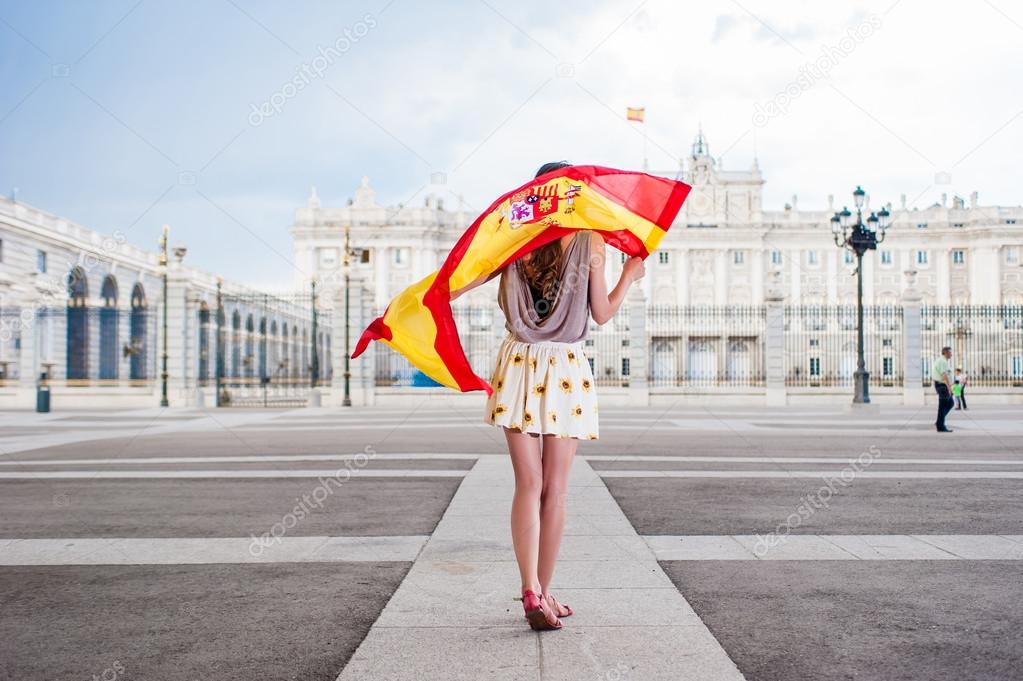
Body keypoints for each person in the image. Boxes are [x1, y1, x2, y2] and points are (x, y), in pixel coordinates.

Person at [453, 161, 646, 631]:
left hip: (517, 364)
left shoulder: (514, 238)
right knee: (555, 489)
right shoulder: (589, 239)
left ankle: (531, 590)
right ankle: (545, 590)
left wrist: (433, 293)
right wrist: (629, 277)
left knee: (527, 484)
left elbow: (465, 280)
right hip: (564, 367)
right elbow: (601, 314)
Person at [932, 346, 955, 432]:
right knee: (944, 406)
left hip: (941, 385)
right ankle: (940, 426)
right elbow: (944, 376)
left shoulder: (942, 360)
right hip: (942, 386)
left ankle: (939, 422)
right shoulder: (942, 361)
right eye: (950, 353)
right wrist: (950, 389)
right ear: (945, 353)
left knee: (950, 403)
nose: (951, 354)